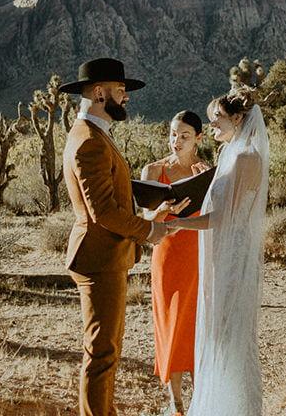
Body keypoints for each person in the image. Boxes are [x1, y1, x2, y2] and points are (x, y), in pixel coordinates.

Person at [59, 57, 173, 416]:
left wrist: (148, 215)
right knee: (101, 354)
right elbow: (104, 213)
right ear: (99, 92)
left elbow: (109, 204)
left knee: (106, 350)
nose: (126, 96)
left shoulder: (93, 134)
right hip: (99, 259)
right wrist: (149, 230)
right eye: (121, 89)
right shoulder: (89, 141)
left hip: (105, 257)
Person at [164, 87, 269, 416]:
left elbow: (223, 218)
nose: (211, 126)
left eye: (217, 118)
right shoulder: (231, 155)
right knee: (218, 335)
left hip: (232, 258)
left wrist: (179, 223)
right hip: (218, 256)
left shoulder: (246, 158)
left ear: (237, 119)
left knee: (231, 337)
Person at [140, 111, 211, 416]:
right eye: (172, 134)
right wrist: (162, 211)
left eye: (184, 136)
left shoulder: (207, 172)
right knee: (171, 324)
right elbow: (144, 218)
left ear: (198, 139)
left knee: (196, 324)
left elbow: (218, 215)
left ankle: (202, 398)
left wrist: (211, 181)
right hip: (167, 255)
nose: (176, 141)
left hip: (199, 254)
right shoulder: (154, 170)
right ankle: (177, 402)